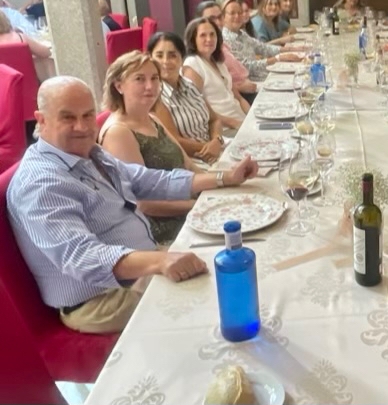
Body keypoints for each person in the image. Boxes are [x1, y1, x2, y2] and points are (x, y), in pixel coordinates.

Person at [6, 76, 259, 334]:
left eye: (88, 115)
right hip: (100, 299)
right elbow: (81, 257)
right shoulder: (40, 183)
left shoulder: (88, 153)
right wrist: (159, 261)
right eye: (68, 118)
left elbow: (146, 179)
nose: (82, 126)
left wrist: (225, 177)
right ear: (41, 120)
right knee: (217, 296)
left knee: (236, 259)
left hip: (139, 268)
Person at [98, 52, 202, 245]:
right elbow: (143, 203)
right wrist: (198, 205)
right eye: (139, 79)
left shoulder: (151, 117)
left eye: (154, 78)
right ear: (119, 86)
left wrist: (213, 188)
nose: (150, 86)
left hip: (189, 206)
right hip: (162, 230)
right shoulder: (118, 133)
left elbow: (187, 162)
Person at [146, 32, 225, 166]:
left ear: (182, 59)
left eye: (172, 55)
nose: (165, 61)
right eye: (159, 56)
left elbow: (214, 119)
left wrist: (217, 140)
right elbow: (175, 141)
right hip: (192, 161)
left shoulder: (189, 85)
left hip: (216, 149)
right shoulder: (155, 96)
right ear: (150, 59)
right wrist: (209, 147)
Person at [183, 17, 248, 131]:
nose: (209, 39)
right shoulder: (192, 65)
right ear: (193, 39)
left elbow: (239, 97)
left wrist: (251, 117)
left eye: (213, 34)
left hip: (241, 121)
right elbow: (199, 109)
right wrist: (235, 123)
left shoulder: (219, 62)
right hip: (223, 129)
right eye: (203, 35)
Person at [220, 0, 299, 83]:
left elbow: (262, 47)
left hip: (261, 75)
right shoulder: (225, 39)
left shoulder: (241, 33)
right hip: (251, 82)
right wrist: (277, 58)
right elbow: (244, 67)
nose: (237, 16)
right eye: (232, 13)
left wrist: (289, 49)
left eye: (239, 13)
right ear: (223, 17)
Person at [196, 0, 258, 103]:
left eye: (219, 17)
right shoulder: (202, 54)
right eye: (211, 19)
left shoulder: (221, 45)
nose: (218, 22)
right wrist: (239, 88)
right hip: (233, 100)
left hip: (243, 93)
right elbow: (207, 95)